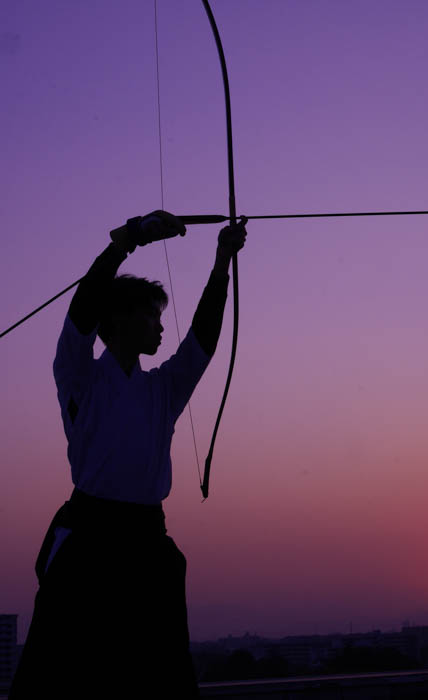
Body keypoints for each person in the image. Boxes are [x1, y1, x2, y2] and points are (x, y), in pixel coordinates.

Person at [9, 211, 247, 699]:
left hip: (146, 547)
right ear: (116, 320)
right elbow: (81, 314)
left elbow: (201, 341)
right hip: (87, 545)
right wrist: (127, 242)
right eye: (151, 315)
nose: (161, 326)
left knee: (159, 682)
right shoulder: (79, 375)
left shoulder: (162, 389)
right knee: (58, 679)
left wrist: (223, 261)